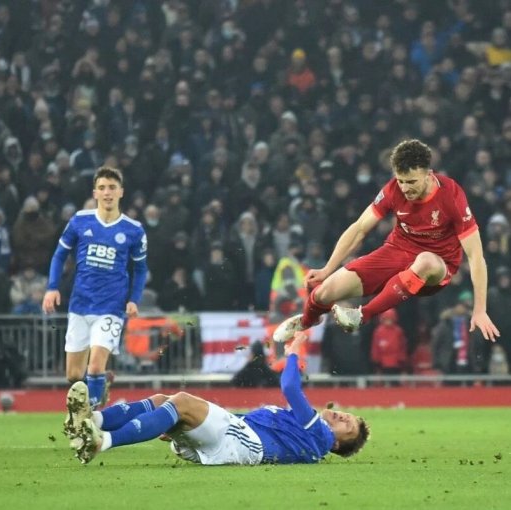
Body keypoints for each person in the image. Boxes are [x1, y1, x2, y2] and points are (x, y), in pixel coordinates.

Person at [273, 139, 500, 344]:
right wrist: (327, 269)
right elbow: (359, 229)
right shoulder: (393, 190)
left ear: (428, 174)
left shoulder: (451, 195)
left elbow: (476, 256)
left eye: (411, 181)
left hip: (437, 267)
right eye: (401, 181)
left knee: (425, 261)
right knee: (325, 292)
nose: (405, 188)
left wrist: (480, 309)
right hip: (396, 252)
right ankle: (305, 321)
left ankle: (364, 315)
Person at [66, 333, 369, 465]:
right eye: (347, 415)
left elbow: (290, 386)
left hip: (245, 445)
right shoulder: (307, 432)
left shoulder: (318, 434)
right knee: (163, 402)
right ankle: (90, 420)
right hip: (239, 441)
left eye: (348, 426)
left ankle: (102, 441)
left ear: (338, 444)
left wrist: (294, 353)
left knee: (181, 400)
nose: (344, 417)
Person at [42, 166, 148, 416]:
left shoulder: (133, 230)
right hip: (80, 305)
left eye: (112, 187)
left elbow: (140, 269)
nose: (107, 192)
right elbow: (59, 255)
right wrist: (51, 288)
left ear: (121, 192)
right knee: (74, 375)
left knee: (95, 366)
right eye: (102, 188)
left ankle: (92, 419)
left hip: (111, 308)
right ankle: (101, 388)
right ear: (95, 192)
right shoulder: (80, 221)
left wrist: (133, 299)